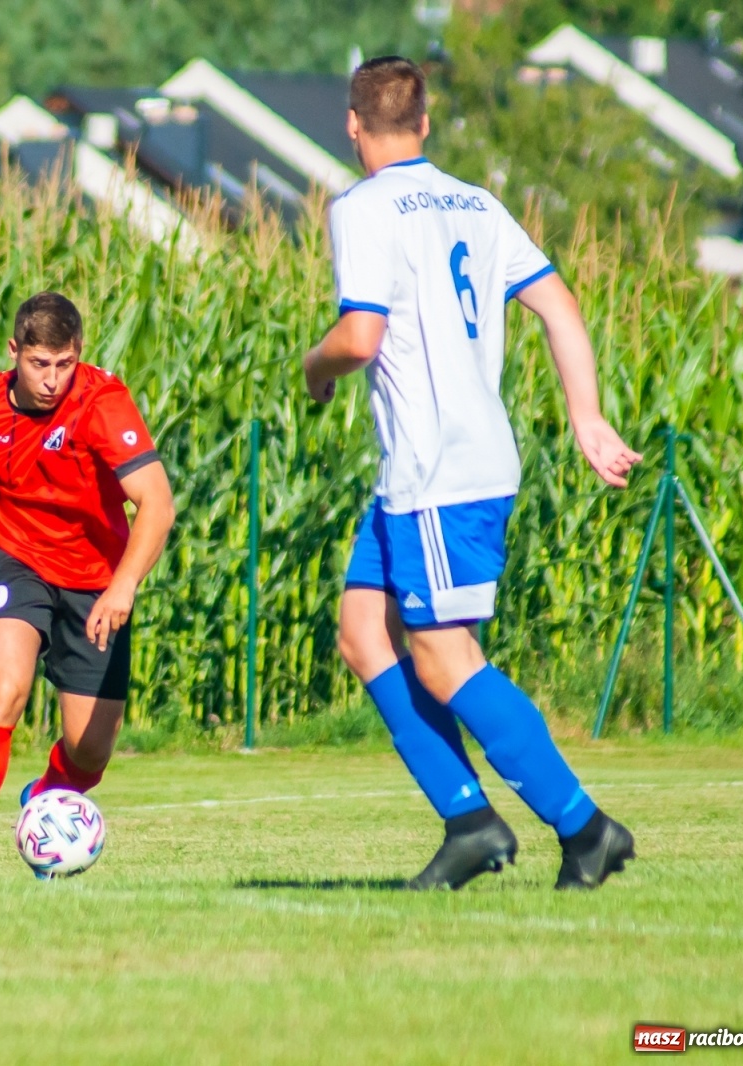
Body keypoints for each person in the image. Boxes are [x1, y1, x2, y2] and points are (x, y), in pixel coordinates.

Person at [304, 57, 641, 890]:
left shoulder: (361, 206)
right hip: (427, 473)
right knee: (361, 632)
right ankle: (470, 821)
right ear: (424, 122)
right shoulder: (475, 202)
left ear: (352, 125)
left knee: (445, 658)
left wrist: (314, 367)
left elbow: (359, 339)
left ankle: (585, 827)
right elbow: (558, 302)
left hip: (440, 470)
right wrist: (586, 417)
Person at [0, 291, 176, 881]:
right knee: (3, 687)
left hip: (96, 583)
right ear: (14, 353)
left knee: (89, 752)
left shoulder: (103, 403)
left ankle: (47, 794)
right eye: (39, 364)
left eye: (64, 363)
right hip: (14, 562)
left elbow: (157, 503)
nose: (52, 379)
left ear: (79, 354)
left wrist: (124, 585)